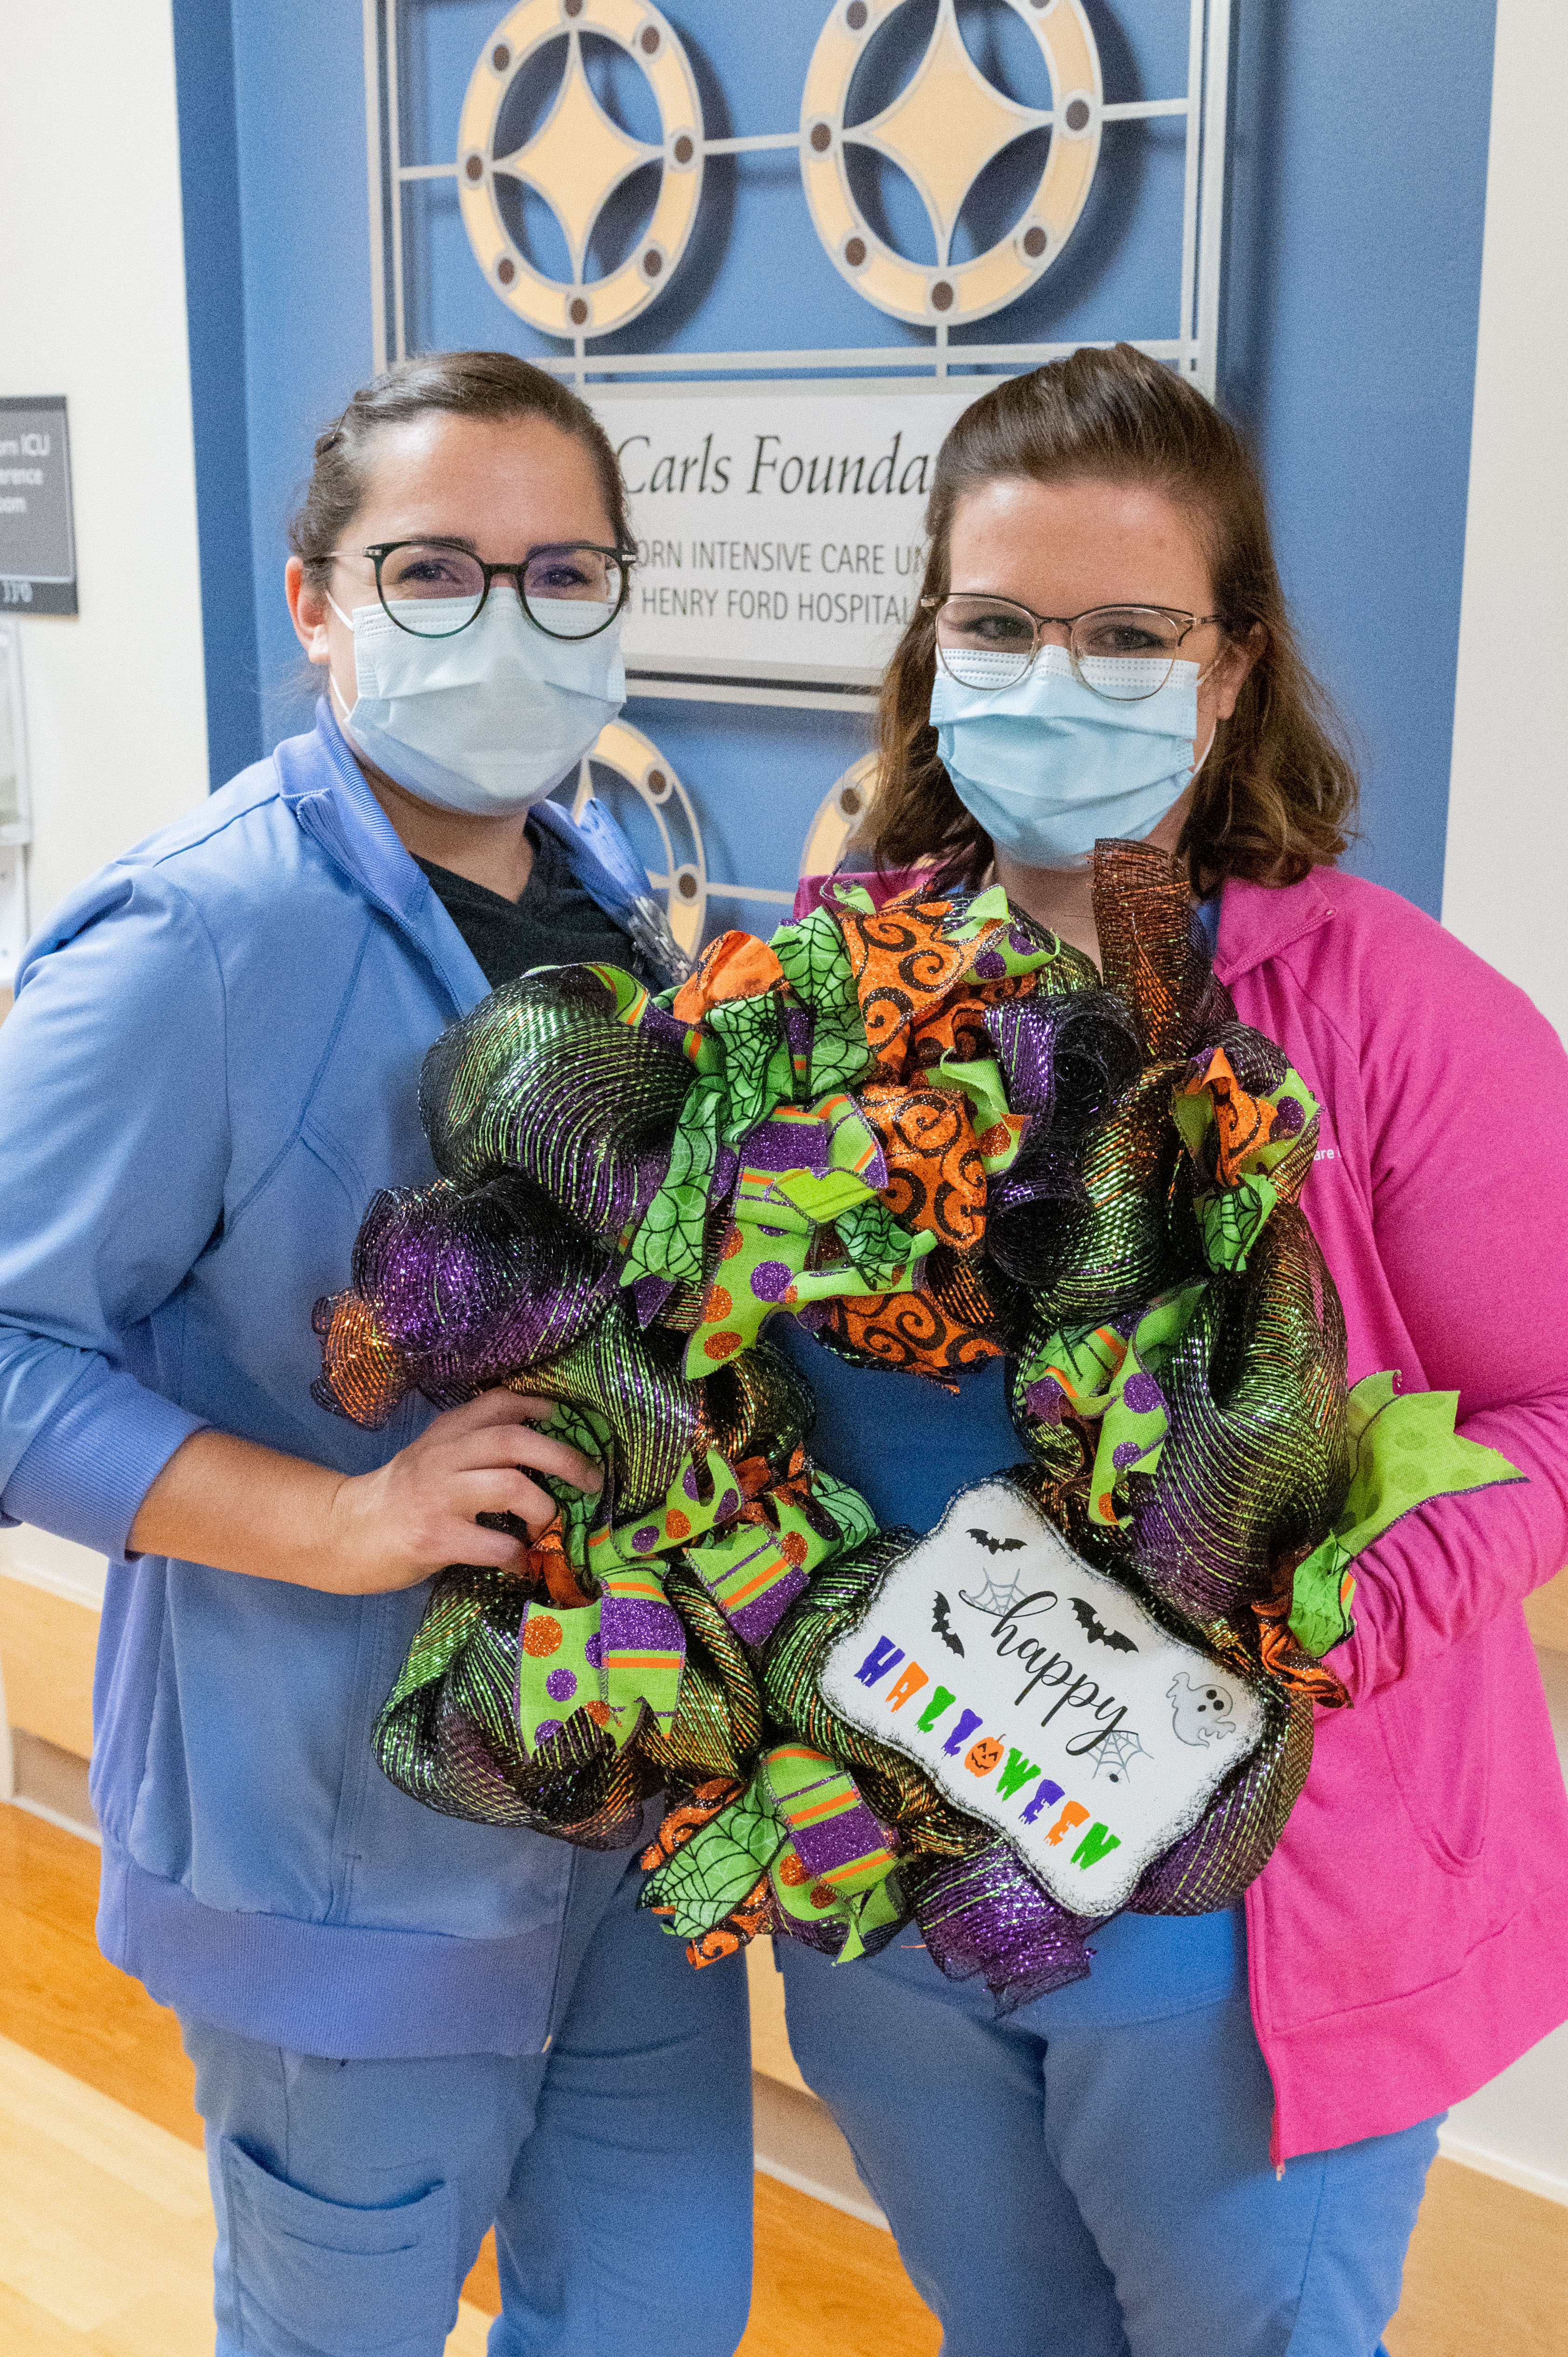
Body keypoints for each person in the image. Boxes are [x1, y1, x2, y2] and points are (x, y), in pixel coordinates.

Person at [774, 343, 1568, 2356]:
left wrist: (1337, 1609)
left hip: (1238, 1935)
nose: (1055, 679)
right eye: (1002, 625)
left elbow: (1546, 1412)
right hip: (895, 1888)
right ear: (931, 647)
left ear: (1225, 674)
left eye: (1125, 634)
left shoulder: (1395, 1021)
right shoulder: (828, 983)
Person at [0, 351, 752, 2357]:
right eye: (432, 570)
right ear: (316, 603)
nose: (502, 623)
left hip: (623, 1797)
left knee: (665, 2310)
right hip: (345, 1851)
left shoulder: (597, 902)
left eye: (560, 572)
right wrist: (347, 1521)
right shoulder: (198, 943)